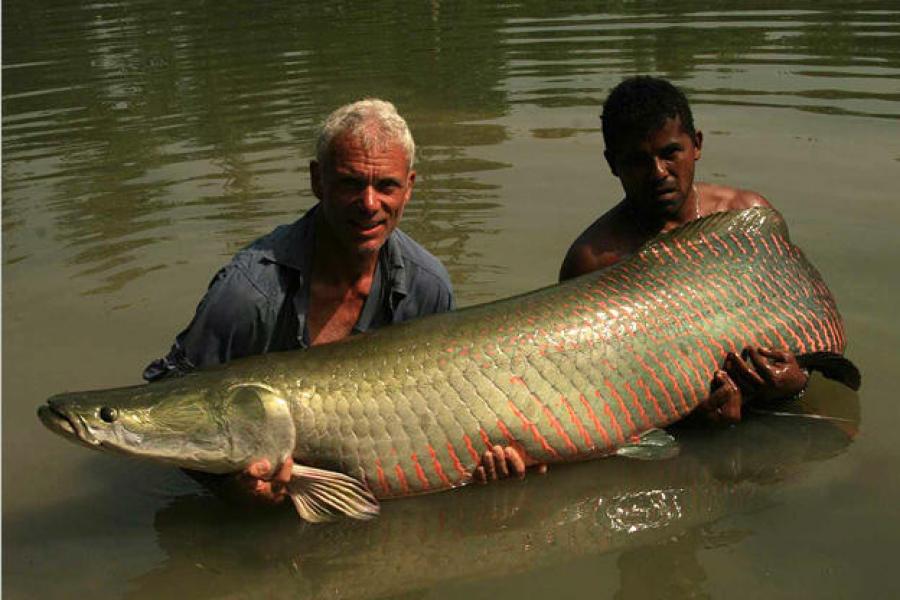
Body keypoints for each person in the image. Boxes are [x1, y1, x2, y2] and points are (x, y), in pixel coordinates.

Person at [146, 99, 520, 504]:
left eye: (387, 186)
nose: (370, 204)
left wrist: (483, 463)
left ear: (409, 187)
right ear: (317, 181)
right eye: (351, 183)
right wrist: (231, 486)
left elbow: (446, 409)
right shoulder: (247, 294)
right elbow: (167, 404)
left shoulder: (426, 286)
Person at [559, 76, 808, 422]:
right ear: (612, 164)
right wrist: (689, 420)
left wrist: (797, 381)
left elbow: (795, 325)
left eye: (670, 153)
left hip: (769, 404)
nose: (658, 172)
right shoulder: (592, 261)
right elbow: (589, 388)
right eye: (637, 161)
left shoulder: (748, 219)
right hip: (674, 420)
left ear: (697, 145)